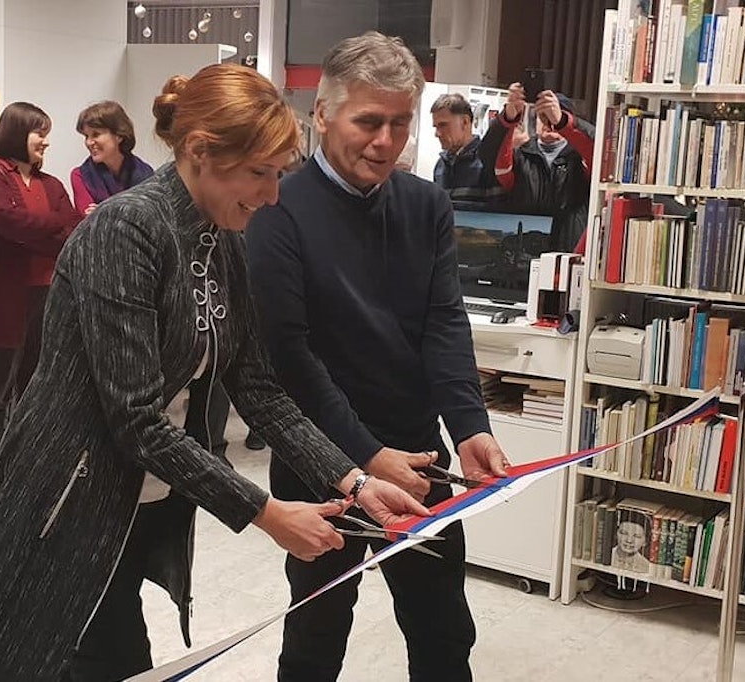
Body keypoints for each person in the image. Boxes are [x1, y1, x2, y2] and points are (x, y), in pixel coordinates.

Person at [0, 64, 428, 682]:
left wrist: (352, 480)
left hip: (139, 498)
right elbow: (137, 420)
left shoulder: (223, 239)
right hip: (66, 501)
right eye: (259, 173)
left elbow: (259, 388)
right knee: (87, 659)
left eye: (279, 175)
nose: (272, 195)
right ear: (199, 151)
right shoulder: (125, 230)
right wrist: (266, 512)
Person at [245, 32, 511, 682]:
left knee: (444, 632)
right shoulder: (278, 210)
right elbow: (291, 360)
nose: (386, 141)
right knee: (315, 635)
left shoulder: (426, 205)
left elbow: (444, 324)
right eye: (369, 122)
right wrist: (365, 457)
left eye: (400, 123)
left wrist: (470, 426)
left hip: (419, 461)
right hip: (322, 470)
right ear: (324, 114)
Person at [0, 101, 81, 498]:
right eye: (38, 132)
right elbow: (9, 220)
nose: (46, 141)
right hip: (0, 299)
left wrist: (45, 229)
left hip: (46, 294)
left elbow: (72, 231)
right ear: (16, 132)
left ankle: (23, 471)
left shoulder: (51, 185)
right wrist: (54, 225)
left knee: (34, 391)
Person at [481, 84, 595, 253]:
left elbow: (601, 154)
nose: (549, 123)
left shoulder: (580, 158)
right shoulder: (522, 155)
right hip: (525, 257)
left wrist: (563, 122)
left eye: (553, 117)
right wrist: (508, 118)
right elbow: (489, 157)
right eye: (544, 116)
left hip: (569, 256)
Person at [70, 100, 155, 215]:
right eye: (86, 136)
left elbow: (149, 217)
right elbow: (88, 222)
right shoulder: (79, 175)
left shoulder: (146, 174)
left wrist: (103, 211)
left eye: (96, 134)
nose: (89, 142)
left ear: (119, 135)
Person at [430, 93, 505, 208]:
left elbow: (498, 216)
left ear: (465, 122)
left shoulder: (487, 161)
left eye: (443, 125)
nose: (437, 133)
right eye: (436, 127)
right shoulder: (440, 166)